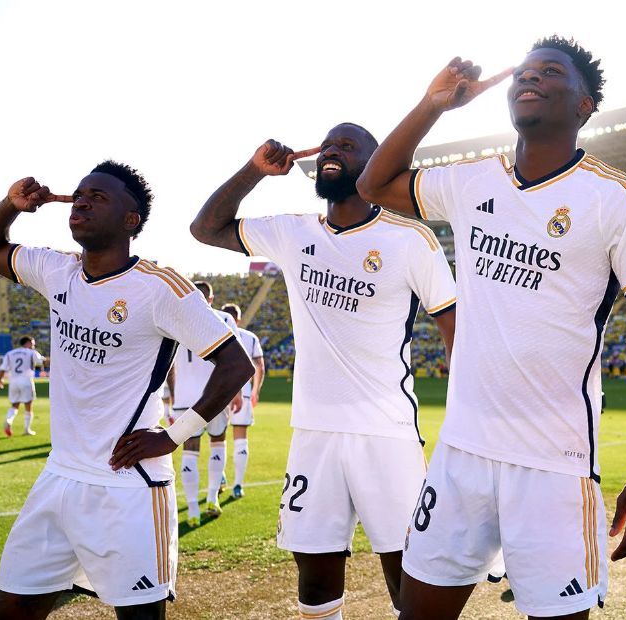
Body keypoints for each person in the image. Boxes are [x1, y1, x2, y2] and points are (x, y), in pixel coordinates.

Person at [357, 36, 626, 619]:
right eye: (524, 72)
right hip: (460, 455)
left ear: (584, 105)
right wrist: (433, 105)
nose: (529, 78)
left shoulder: (617, 199)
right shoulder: (472, 181)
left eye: (550, 71)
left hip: (554, 465)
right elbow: (374, 185)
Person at [191, 122, 457, 619]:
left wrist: (464, 420)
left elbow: (454, 330)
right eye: (329, 144)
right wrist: (254, 170)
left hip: (385, 432)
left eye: (348, 145)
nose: (333, 150)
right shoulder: (294, 232)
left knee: (409, 579)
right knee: (313, 580)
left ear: (374, 162)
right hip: (313, 433)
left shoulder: (410, 239)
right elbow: (205, 229)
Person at [0, 161, 253, 619]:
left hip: (127, 487)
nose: (81, 202)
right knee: (11, 611)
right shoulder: (56, 269)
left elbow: (236, 363)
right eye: (79, 194)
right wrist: (11, 205)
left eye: (97, 197)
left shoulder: (160, 288)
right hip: (58, 476)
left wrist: (174, 436)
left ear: (130, 220)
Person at [167, 280, 242, 527]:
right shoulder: (225, 318)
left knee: (190, 450)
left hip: (186, 397)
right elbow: (236, 359)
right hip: (216, 394)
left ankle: (192, 510)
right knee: (218, 442)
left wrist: (174, 396)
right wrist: (236, 392)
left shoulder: (175, 319)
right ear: (210, 299)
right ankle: (212, 498)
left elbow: (169, 365)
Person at [219, 302, 266, 499]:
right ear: (238, 319)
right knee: (240, 437)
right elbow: (259, 366)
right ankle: (238, 485)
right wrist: (255, 391)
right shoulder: (250, 337)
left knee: (217, 439)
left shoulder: (213, 334)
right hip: (243, 393)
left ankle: (219, 477)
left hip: (217, 393)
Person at [0, 336, 45, 436]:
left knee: (15, 405)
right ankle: (27, 429)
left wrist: (0, 380)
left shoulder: (10, 353)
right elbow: (41, 361)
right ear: (27, 343)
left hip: (13, 382)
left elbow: (3, 368)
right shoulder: (32, 352)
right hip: (26, 381)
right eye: (32, 344)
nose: (33, 346)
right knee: (28, 405)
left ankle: (9, 420)